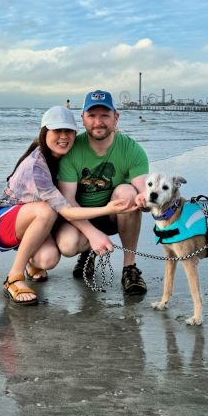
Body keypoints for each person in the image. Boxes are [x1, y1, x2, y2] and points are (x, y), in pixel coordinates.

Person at [0, 106, 136, 306]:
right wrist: (110, 209)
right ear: (44, 133)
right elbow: (66, 211)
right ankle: (14, 277)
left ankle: (31, 262)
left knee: (48, 259)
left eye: (69, 131)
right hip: (5, 223)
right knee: (46, 211)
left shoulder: (64, 156)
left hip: (39, 223)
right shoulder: (36, 167)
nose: (64, 136)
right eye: (57, 131)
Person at [56, 90, 149, 295]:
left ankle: (129, 268)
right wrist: (92, 233)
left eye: (105, 115)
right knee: (68, 246)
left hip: (114, 214)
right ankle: (88, 252)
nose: (98, 122)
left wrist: (146, 200)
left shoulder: (131, 149)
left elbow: (143, 188)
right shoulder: (71, 150)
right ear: (82, 118)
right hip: (81, 215)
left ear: (116, 117)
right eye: (92, 115)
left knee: (128, 192)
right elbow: (68, 201)